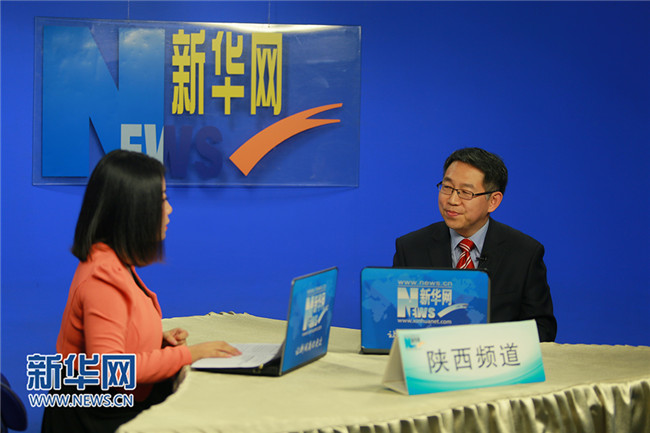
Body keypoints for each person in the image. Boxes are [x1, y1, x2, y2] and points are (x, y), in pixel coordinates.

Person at [42, 150, 241, 433]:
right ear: (134, 209)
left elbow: (116, 330)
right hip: (93, 417)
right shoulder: (102, 278)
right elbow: (110, 370)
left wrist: (155, 340)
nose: (169, 209)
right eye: (161, 200)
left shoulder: (111, 259)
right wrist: (190, 354)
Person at [393, 147, 557, 342]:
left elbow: (542, 329)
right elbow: (394, 321)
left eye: (465, 192)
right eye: (447, 187)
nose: (452, 200)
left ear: (493, 201)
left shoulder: (524, 253)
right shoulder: (411, 248)